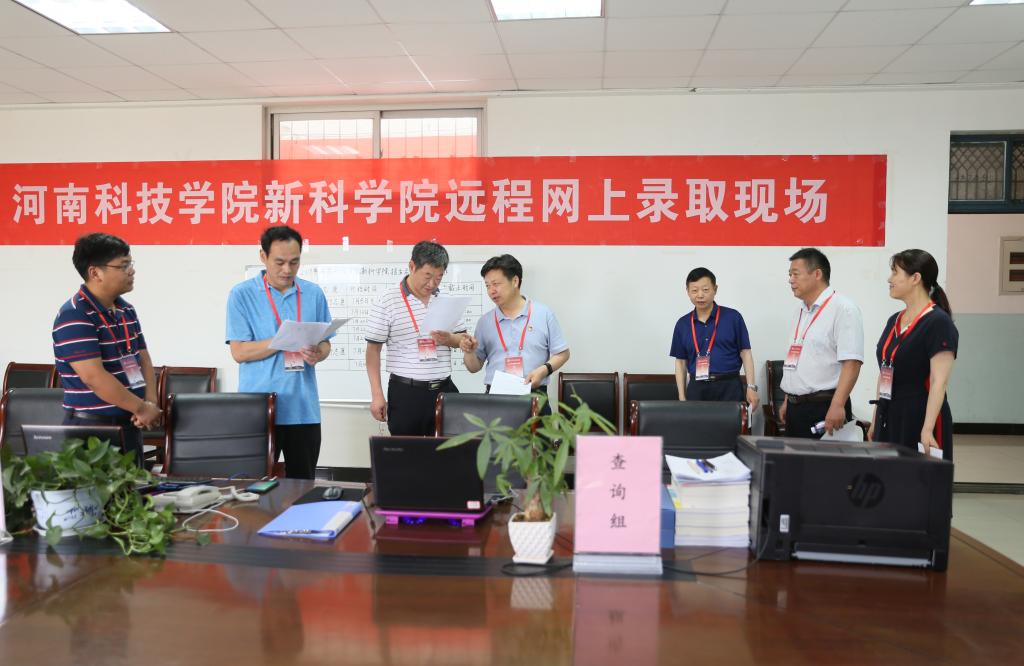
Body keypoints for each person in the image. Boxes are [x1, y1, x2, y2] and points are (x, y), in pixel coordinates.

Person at [226, 227, 332, 479]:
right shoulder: (241, 294)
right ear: (263, 256)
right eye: (280, 262)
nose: (287, 270)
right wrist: (282, 340)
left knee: (303, 483)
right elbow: (239, 352)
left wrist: (318, 353)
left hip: (303, 409)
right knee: (253, 484)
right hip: (259, 409)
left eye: (294, 262)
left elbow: (326, 343)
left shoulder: (313, 293)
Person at [52, 233, 160, 464]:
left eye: (130, 263)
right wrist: (141, 408)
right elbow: (94, 377)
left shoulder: (126, 310)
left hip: (129, 422)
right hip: (91, 429)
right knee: (95, 489)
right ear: (95, 273)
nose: (131, 271)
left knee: (134, 486)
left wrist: (150, 402)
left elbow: (143, 358)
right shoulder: (75, 315)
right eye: (123, 265)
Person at [365, 241, 467, 436]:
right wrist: (377, 395)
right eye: (427, 276)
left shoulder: (446, 300)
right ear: (412, 266)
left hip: (444, 391)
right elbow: (373, 351)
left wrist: (450, 339)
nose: (432, 284)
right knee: (408, 451)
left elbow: (461, 340)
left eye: (438, 277)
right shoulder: (387, 301)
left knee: (450, 449)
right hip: (406, 393)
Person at [869, 250, 958, 460]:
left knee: (916, 478)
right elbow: (885, 370)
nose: (889, 279)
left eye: (895, 272)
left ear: (915, 278)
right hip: (889, 413)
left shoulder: (938, 322)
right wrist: (875, 419)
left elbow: (938, 381)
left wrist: (927, 429)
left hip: (919, 415)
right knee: (887, 476)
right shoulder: (894, 320)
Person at [460, 254, 570, 414]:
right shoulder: (485, 321)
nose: (491, 291)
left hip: (534, 395)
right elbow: (474, 367)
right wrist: (468, 352)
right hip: (495, 398)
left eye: (496, 284)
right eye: (487, 286)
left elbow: (563, 354)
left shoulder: (543, 314)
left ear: (515, 281)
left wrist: (544, 370)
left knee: (539, 432)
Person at [779, 248, 864, 439]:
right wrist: (788, 398)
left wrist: (838, 404)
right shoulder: (800, 310)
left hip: (824, 407)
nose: (790, 280)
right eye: (789, 274)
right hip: (795, 408)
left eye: (795, 274)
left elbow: (852, 362)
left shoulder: (843, 309)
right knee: (796, 458)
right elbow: (796, 359)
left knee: (823, 459)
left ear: (817, 274)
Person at [669, 267, 759, 409]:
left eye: (705, 290)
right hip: (697, 389)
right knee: (697, 424)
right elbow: (680, 362)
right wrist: (681, 397)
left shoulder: (733, 317)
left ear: (715, 289)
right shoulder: (683, 324)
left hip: (729, 387)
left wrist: (751, 387)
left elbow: (745, 353)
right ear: (687, 292)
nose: (700, 295)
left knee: (731, 424)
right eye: (694, 290)